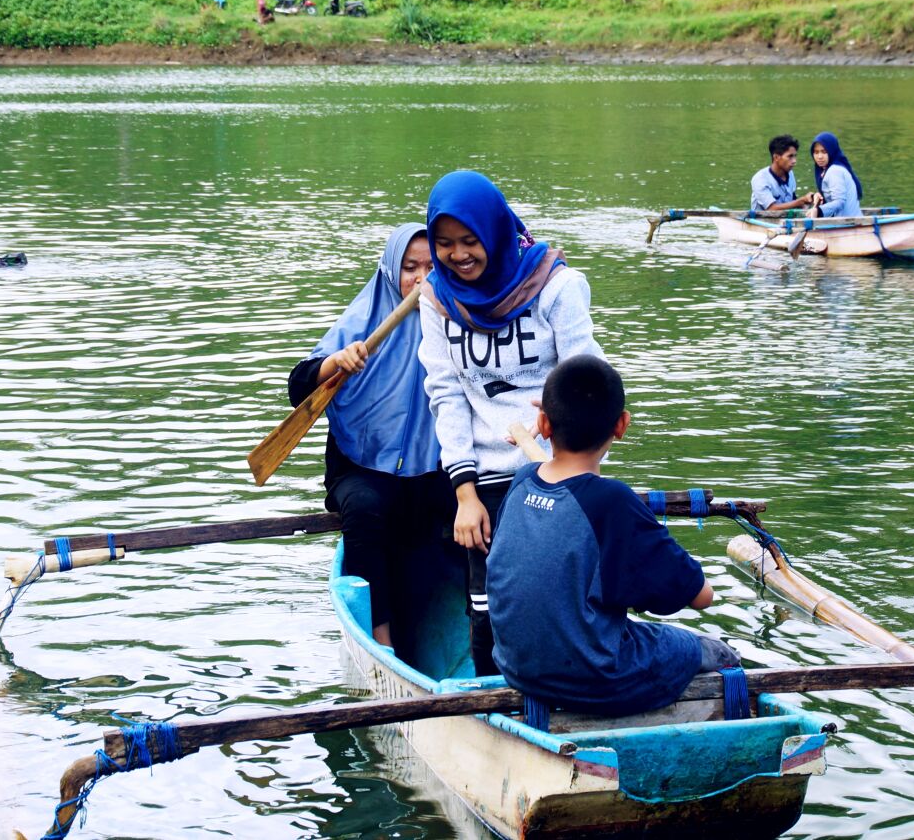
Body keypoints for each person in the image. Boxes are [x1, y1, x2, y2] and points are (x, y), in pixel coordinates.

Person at [417, 171, 605, 676]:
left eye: (470, 240)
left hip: (555, 466)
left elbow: (588, 385)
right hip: (485, 477)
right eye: (445, 244)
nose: (458, 255)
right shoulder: (437, 298)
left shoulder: (557, 287)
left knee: (571, 599)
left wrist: (581, 476)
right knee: (487, 609)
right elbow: (446, 393)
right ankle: (493, 711)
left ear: (495, 232)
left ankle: (575, 695)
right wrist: (464, 493)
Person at [486, 355, 740, 717]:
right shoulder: (611, 501)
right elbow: (701, 597)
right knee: (715, 652)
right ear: (621, 425)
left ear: (543, 423)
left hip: (517, 668)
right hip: (596, 678)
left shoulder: (522, 480)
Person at [287, 223, 450, 648]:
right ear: (390, 271)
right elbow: (297, 386)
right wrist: (335, 362)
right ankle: (380, 637)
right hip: (361, 467)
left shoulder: (458, 320)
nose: (421, 278)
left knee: (479, 507)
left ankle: (475, 629)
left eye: (432, 266)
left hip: (435, 467)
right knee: (364, 508)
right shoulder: (363, 318)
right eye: (410, 267)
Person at [750, 135, 817, 213]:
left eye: (795, 156)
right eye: (790, 156)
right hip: (761, 221)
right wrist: (800, 201)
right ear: (776, 158)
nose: (794, 161)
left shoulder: (790, 173)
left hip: (784, 220)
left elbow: (793, 200)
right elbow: (771, 209)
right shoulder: (760, 179)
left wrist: (807, 202)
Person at [808, 132, 863, 218]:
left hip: (847, 224)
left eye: (824, 152)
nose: (819, 156)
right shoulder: (827, 170)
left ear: (831, 151)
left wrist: (818, 211)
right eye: (816, 152)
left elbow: (839, 201)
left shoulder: (835, 171)